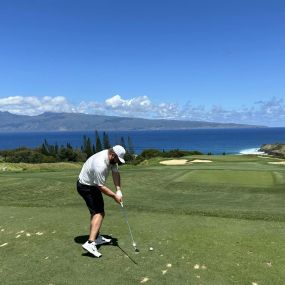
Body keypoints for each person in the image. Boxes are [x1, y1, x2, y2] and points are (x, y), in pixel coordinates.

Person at [77, 145, 126, 257]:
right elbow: (101, 186)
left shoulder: (111, 158)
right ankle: (90, 243)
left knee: (96, 212)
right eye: (118, 159)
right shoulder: (100, 164)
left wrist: (118, 190)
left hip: (91, 185)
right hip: (86, 187)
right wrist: (114, 197)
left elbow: (115, 173)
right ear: (112, 155)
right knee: (99, 213)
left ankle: (96, 237)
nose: (118, 162)